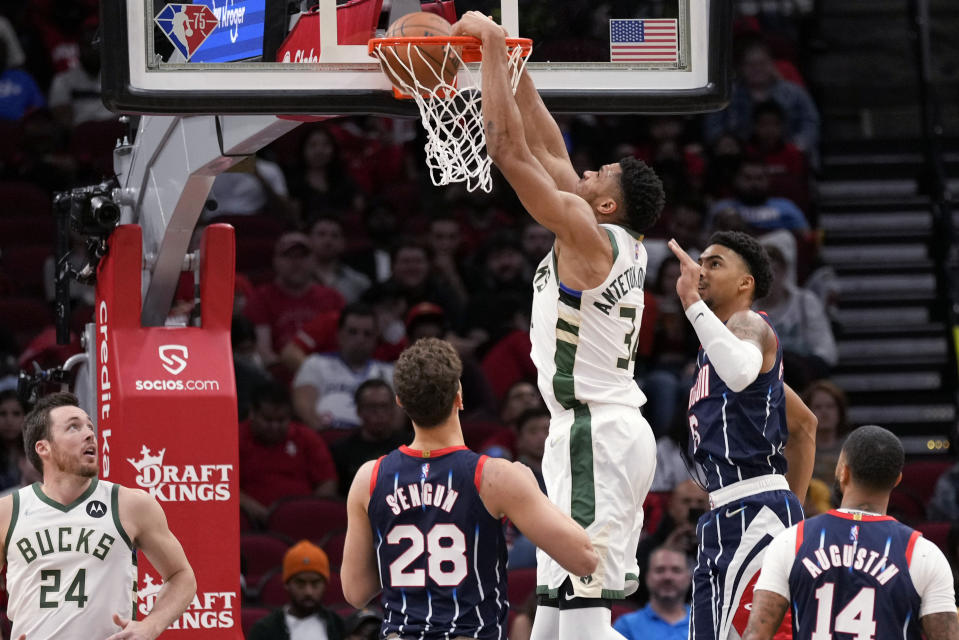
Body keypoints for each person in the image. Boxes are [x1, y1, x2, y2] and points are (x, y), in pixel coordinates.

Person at [450, 13, 666, 639]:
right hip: (597, 430)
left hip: (595, 434)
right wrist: (515, 66)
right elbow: (548, 149)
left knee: (582, 605)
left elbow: (510, 151)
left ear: (604, 205)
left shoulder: (588, 236)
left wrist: (489, 46)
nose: (585, 170)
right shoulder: (611, 236)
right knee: (553, 615)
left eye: (597, 176)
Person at [341, 338, 598, 638]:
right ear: (460, 396)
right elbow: (584, 559)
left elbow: (356, 591)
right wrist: (531, 488)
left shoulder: (369, 477)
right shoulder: (494, 476)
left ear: (400, 401)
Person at [669, 230, 818, 640]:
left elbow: (739, 371)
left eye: (714, 263)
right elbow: (805, 424)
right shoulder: (713, 351)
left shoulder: (749, 323)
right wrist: (795, 509)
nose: (701, 270)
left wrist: (690, 302)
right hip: (720, 516)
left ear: (745, 283)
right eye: (702, 261)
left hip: (757, 508)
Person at [0, 392, 196, 639]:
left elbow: (182, 575)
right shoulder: (8, 511)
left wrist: (151, 625)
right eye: (74, 427)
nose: (89, 434)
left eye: (90, 427)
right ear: (43, 448)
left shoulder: (130, 504)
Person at [743, 425, 959, 640]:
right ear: (896, 480)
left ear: (843, 472)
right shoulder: (923, 553)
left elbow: (756, 634)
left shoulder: (792, 540)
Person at [238, 382, 338, 525]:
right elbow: (223, 486)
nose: (274, 426)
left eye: (281, 420)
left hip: (301, 520)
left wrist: (311, 510)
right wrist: (251, 507)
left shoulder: (306, 437)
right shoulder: (234, 438)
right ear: (252, 414)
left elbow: (327, 482)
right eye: (268, 420)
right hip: (252, 520)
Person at [245, 232, 345, 366]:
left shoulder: (333, 298)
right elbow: (264, 353)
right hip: (280, 375)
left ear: (314, 260)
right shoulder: (260, 298)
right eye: (289, 256)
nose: (296, 263)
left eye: (303, 256)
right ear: (275, 261)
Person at [292, 303, 394, 430]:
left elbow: (395, 422)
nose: (360, 339)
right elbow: (305, 409)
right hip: (327, 438)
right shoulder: (315, 364)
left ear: (376, 338)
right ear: (339, 334)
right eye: (352, 332)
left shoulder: (389, 373)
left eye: (367, 334)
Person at [248, 539, 345, 640]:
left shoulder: (339, 627)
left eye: (315, 583)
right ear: (287, 584)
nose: (308, 592)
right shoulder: (264, 630)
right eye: (300, 583)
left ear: (325, 584)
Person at [330, 379, 408, 497]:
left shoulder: (412, 445)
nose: (379, 413)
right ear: (359, 411)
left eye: (384, 406)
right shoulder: (341, 450)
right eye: (372, 407)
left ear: (393, 409)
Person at [613, 547, 691, 640]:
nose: (668, 577)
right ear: (647, 577)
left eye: (676, 570)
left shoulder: (704, 622)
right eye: (660, 570)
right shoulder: (626, 626)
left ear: (689, 577)